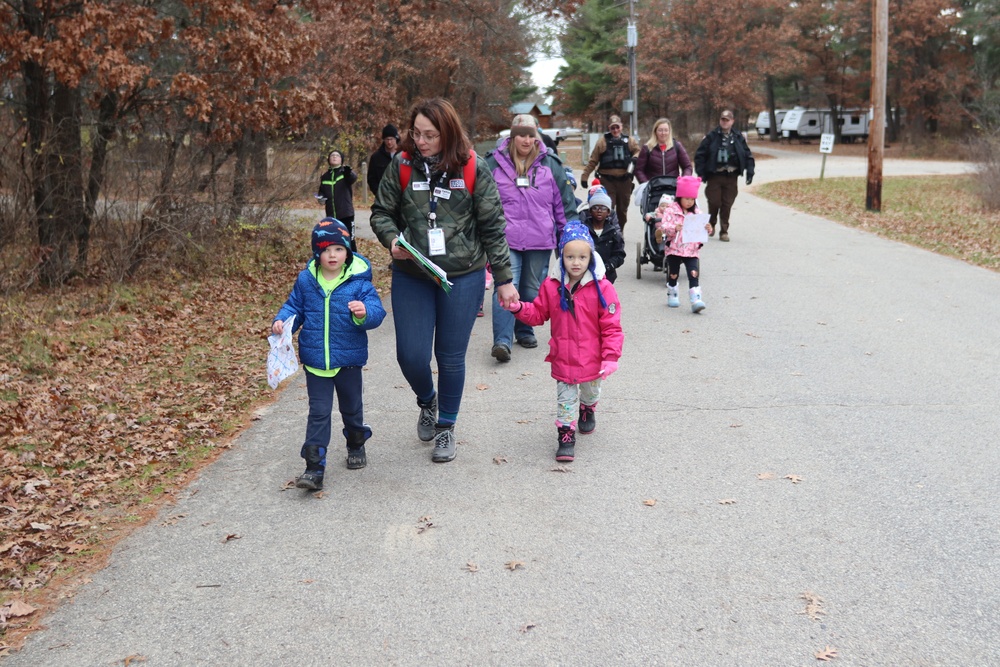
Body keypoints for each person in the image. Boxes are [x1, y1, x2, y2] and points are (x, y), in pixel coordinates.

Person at [370, 98, 518, 463]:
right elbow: (381, 212)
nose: (421, 141)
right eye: (416, 133)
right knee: (411, 355)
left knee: (450, 356)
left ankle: (446, 428)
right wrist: (391, 239)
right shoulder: (402, 165)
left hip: (463, 276)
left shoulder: (472, 167)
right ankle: (428, 400)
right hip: (413, 273)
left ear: (447, 133)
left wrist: (503, 279)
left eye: (430, 135)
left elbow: (493, 228)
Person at [271, 218, 387, 490]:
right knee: (319, 413)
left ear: (347, 251)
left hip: (348, 360)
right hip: (315, 360)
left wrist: (364, 313)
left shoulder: (359, 282)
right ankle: (314, 468)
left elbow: (377, 312)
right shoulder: (306, 280)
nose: (331, 255)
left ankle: (356, 443)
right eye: (325, 250)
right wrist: (282, 322)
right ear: (316, 253)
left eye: (337, 249)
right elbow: (294, 308)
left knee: (351, 408)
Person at [504, 221, 623, 462]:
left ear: (591, 256)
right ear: (561, 256)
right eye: (570, 256)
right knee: (565, 399)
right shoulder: (551, 286)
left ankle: (588, 408)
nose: (576, 262)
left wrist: (610, 357)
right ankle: (566, 434)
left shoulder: (603, 288)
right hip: (564, 357)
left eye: (581, 257)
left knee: (590, 391)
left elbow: (612, 327)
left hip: (593, 358)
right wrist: (518, 308)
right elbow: (538, 313)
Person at [485, 113, 579, 361]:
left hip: (540, 239)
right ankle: (502, 341)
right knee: (506, 285)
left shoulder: (550, 165)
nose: (526, 140)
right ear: (513, 136)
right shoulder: (493, 164)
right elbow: (482, 204)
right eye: (521, 135)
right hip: (505, 240)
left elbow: (564, 207)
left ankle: (524, 328)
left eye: (531, 135)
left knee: (531, 288)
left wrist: (570, 240)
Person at [694, 109, 755, 242]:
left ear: (732, 121)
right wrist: (701, 173)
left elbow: (747, 155)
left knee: (727, 204)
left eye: (727, 120)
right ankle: (712, 224)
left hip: (731, 176)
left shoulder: (738, 137)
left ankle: (724, 231)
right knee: (714, 202)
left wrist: (750, 171)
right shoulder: (711, 136)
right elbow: (700, 155)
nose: (725, 122)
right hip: (715, 175)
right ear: (720, 120)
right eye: (723, 119)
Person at [656, 175, 711, 313]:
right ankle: (673, 293)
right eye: (687, 199)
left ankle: (696, 299)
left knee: (693, 273)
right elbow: (664, 226)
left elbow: (702, 229)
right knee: (673, 273)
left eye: (692, 199)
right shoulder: (671, 210)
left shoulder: (697, 212)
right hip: (674, 248)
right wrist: (675, 227)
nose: (689, 202)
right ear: (680, 197)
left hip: (691, 249)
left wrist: (708, 228)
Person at [581, 115, 641, 233]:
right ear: (609, 128)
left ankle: (619, 231)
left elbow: (638, 151)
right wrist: (585, 176)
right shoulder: (602, 142)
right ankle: (608, 232)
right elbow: (593, 160)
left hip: (624, 181)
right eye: (613, 128)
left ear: (621, 127)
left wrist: (635, 158)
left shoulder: (629, 141)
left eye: (617, 127)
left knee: (622, 210)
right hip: (607, 181)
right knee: (608, 207)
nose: (615, 130)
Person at [580, 190, 625, 284]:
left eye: (603, 208)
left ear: (608, 212)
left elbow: (619, 254)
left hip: (607, 276)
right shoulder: (582, 230)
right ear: (590, 211)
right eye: (595, 207)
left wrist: (609, 265)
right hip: (584, 275)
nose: (599, 211)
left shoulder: (613, 233)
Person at [317, 150, 358, 251]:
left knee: (350, 240)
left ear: (341, 159)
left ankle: (353, 261)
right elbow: (321, 192)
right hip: (331, 215)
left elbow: (352, 178)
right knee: (335, 240)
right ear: (329, 159)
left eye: (337, 155)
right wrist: (321, 198)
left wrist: (349, 172)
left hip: (346, 214)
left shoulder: (345, 173)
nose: (334, 157)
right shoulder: (325, 176)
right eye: (332, 155)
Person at [635, 118, 693, 183]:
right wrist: (646, 184)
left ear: (669, 131)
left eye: (666, 130)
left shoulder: (677, 146)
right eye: (660, 130)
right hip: (653, 189)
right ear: (655, 131)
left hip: (672, 187)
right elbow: (639, 170)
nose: (663, 133)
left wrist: (683, 180)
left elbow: (687, 167)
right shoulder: (647, 148)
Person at [367, 124, 400, 196]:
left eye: (391, 139)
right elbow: (371, 179)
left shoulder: (404, 155)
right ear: (383, 140)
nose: (389, 142)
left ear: (396, 139)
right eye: (387, 139)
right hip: (383, 197)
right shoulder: (376, 157)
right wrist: (379, 193)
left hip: (402, 197)